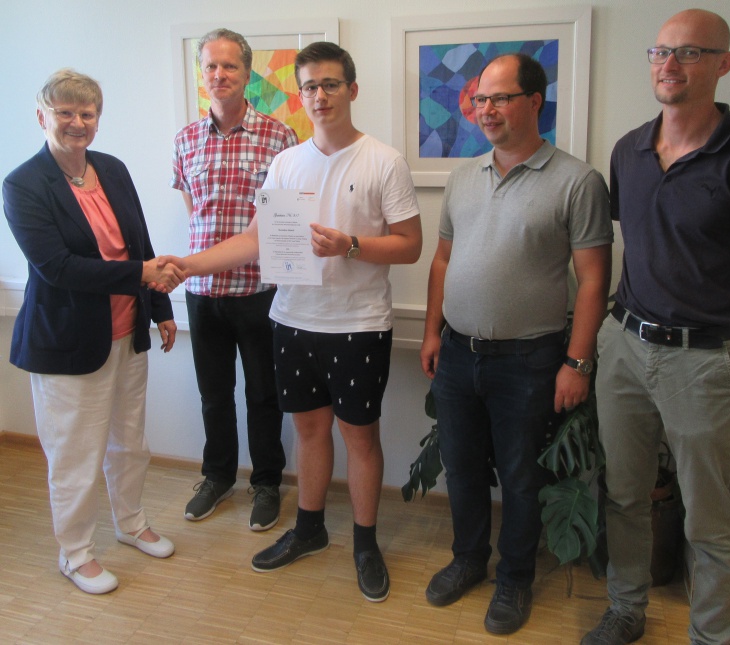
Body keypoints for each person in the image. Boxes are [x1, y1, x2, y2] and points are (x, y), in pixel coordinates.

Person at [158, 42, 422, 602]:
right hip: (292, 320)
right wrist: (188, 265)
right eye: (309, 87)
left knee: (360, 437)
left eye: (330, 84)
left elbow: (410, 245)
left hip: (358, 323)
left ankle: (365, 543)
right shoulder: (285, 162)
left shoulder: (384, 160)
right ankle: (309, 530)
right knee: (307, 431)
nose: (319, 96)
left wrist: (350, 245)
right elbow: (255, 240)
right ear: (300, 96)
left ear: (352, 89)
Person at [582, 10, 730, 645]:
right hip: (624, 346)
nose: (669, 65)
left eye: (690, 53)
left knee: (709, 517)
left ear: (723, 64)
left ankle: (711, 636)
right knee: (624, 495)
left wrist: (699, 327)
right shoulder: (629, 151)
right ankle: (626, 609)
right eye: (660, 52)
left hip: (703, 361)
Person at [419, 53, 612, 635]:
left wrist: (578, 362)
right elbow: (442, 260)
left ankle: (515, 577)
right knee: (462, 467)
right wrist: (431, 331)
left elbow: (593, 280)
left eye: (501, 98)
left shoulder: (577, 181)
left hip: (530, 360)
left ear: (534, 102)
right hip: (458, 352)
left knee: (522, 476)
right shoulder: (463, 177)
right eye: (481, 99)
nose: (488, 110)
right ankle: (469, 559)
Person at [3, 69, 184, 595]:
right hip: (67, 344)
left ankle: (131, 523)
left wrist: (159, 306)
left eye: (87, 113)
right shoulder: (22, 184)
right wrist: (142, 274)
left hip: (127, 333)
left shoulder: (112, 169)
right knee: (75, 457)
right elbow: (57, 267)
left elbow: (139, 242)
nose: (77, 122)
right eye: (65, 112)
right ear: (42, 117)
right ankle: (76, 553)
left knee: (130, 443)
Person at [171, 28, 298, 530]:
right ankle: (218, 476)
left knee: (265, 395)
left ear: (247, 74)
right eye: (210, 66)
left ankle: (266, 483)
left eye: (229, 66)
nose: (219, 75)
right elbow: (193, 210)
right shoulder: (185, 139)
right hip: (202, 295)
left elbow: (279, 224)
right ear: (201, 74)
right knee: (213, 395)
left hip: (258, 293)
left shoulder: (279, 138)